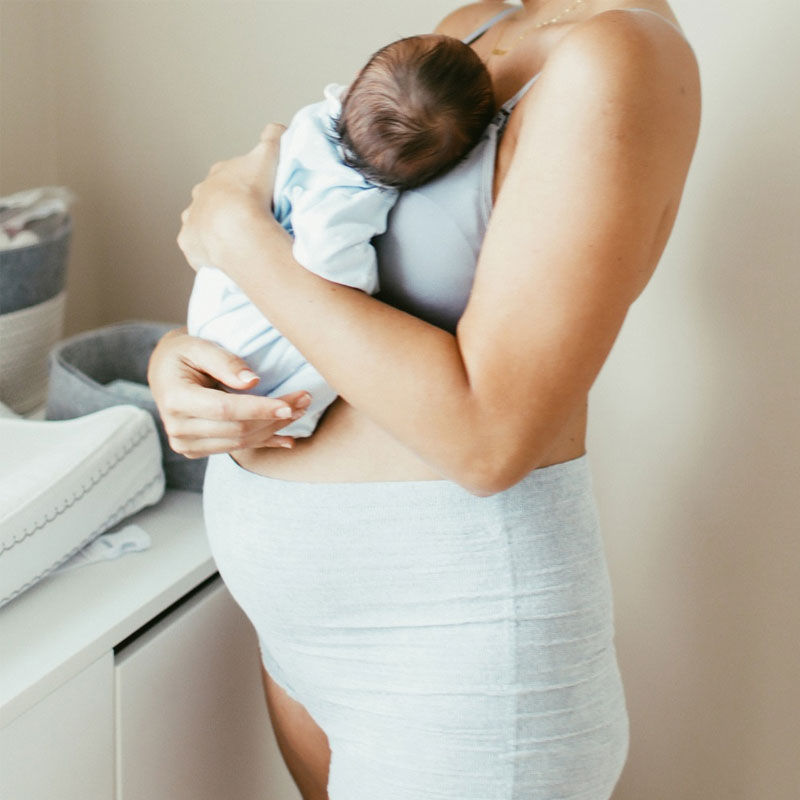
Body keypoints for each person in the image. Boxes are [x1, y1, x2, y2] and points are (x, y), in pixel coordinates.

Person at [148, 1, 700, 798]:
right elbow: (348, 303)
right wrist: (185, 360)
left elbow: (489, 440)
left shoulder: (618, 54)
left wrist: (237, 237)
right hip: (305, 646)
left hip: (450, 654)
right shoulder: (473, 26)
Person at [187, 34, 495, 436]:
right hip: (250, 329)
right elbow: (327, 259)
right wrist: (368, 289)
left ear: (354, 83)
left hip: (217, 298)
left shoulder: (314, 119)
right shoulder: (348, 198)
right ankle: (291, 422)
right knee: (312, 368)